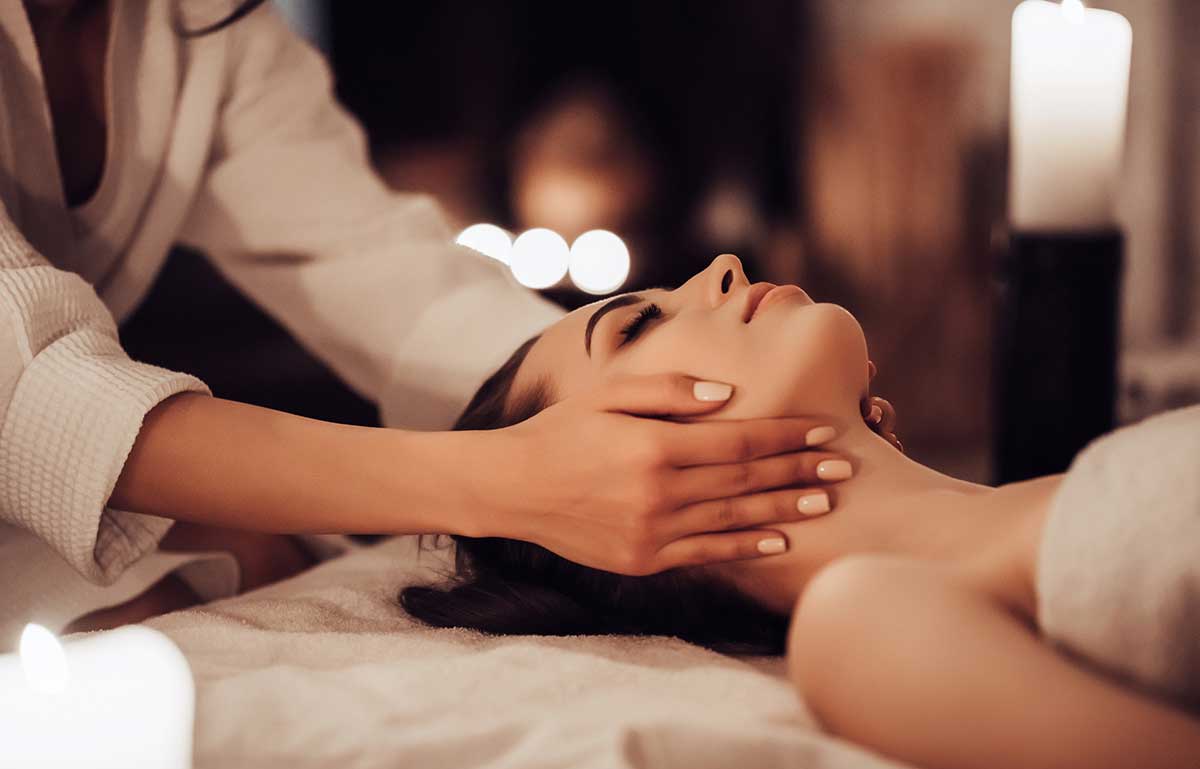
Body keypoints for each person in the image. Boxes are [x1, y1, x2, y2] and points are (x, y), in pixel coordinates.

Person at [0, 0, 892, 643]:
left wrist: (602, 434)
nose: (724, 270)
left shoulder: (201, 25)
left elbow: (388, 276)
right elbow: (36, 398)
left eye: (638, 326)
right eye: (637, 324)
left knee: (257, 549)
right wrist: (515, 476)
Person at [402, 253, 1200, 769]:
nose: (721, 268)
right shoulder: (858, 621)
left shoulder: (1065, 491)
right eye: (638, 326)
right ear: (616, 488)